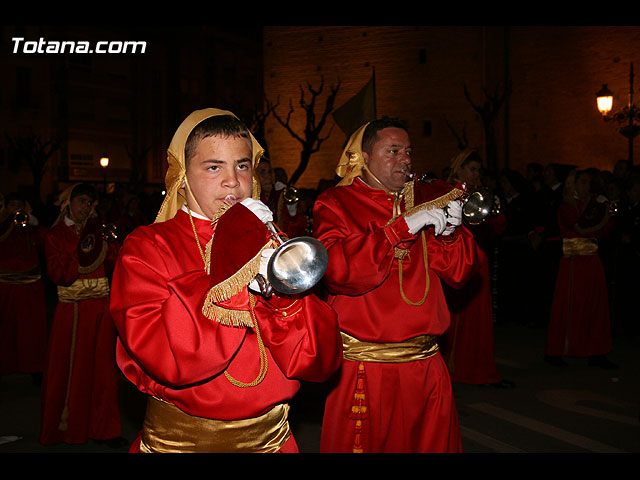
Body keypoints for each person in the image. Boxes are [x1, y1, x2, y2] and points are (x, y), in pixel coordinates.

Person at [109, 108, 342, 453]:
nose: (233, 181)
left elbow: (319, 360)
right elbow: (169, 358)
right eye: (214, 167)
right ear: (182, 177)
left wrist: (283, 295)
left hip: (272, 443)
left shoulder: (273, 243)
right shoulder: (147, 246)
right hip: (183, 445)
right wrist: (235, 272)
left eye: (242, 165)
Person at [313, 116, 481, 453]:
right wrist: (398, 230)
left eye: (408, 152)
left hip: (426, 362)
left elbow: (460, 273)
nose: (405, 159)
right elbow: (340, 273)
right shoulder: (335, 202)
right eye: (393, 151)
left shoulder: (423, 200)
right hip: (368, 367)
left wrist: (450, 235)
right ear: (364, 157)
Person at [39, 183, 124, 446]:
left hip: (100, 309)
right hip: (72, 311)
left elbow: (114, 263)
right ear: (69, 202)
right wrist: (83, 250)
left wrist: (110, 244)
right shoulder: (55, 235)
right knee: (70, 369)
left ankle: (104, 429)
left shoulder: (96, 229)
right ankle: (66, 428)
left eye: (90, 204)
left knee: (103, 371)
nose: (85, 208)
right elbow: (58, 274)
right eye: (82, 202)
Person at [440, 150, 512, 387]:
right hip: (456, 260)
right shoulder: (446, 192)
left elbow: (498, 226)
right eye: (471, 169)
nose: (476, 174)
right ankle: (453, 368)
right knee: (457, 317)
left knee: (479, 320)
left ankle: (479, 368)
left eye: (478, 170)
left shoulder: (479, 194)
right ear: (459, 170)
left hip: (478, 259)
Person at [544, 169, 616, 368]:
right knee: (568, 305)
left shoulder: (594, 204)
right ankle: (557, 350)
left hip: (592, 261)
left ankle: (596, 351)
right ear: (572, 184)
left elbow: (606, 229)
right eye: (582, 182)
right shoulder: (567, 205)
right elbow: (581, 228)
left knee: (596, 306)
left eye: (588, 183)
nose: (586, 186)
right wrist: (604, 215)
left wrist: (605, 213)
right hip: (573, 264)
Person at [0, 192, 48, 383]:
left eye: (18, 205)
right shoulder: (3, 225)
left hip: (30, 284)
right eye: (11, 205)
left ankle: (34, 366)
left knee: (31, 329)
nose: (15, 209)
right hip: (5, 285)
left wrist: (34, 223)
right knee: (6, 328)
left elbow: (46, 241)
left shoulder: (31, 227)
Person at [256, 158, 307, 238]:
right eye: (262, 172)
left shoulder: (280, 196)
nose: (268, 176)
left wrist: (292, 211)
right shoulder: (252, 199)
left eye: (270, 172)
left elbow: (297, 233)